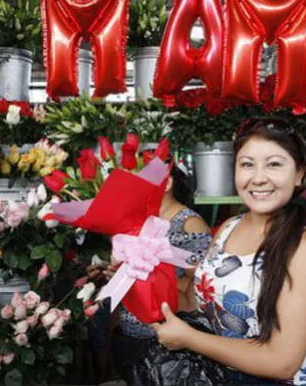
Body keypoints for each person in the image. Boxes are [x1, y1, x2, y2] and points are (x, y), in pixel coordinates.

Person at [151, 117, 306, 385]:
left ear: (300, 173)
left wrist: (189, 339)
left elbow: (283, 362)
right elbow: (195, 301)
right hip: (219, 376)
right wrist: (137, 271)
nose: (258, 178)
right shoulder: (228, 228)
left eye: (274, 164)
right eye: (247, 165)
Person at [87, 155, 212, 383]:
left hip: (167, 331)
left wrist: (154, 281)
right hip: (131, 329)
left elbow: (201, 284)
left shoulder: (190, 223)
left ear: (166, 183)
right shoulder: (140, 220)